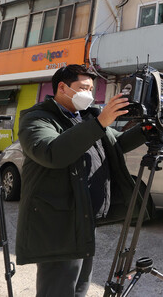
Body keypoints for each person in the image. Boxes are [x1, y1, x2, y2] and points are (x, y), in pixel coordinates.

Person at [16, 64, 147, 297]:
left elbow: (118, 143)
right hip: (57, 221)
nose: (89, 94)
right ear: (62, 87)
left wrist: (148, 130)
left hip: (83, 216)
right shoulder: (37, 118)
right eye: (83, 88)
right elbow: (52, 153)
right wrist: (99, 123)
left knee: (79, 287)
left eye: (91, 89)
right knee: (58, 289)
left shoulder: (87, 116)